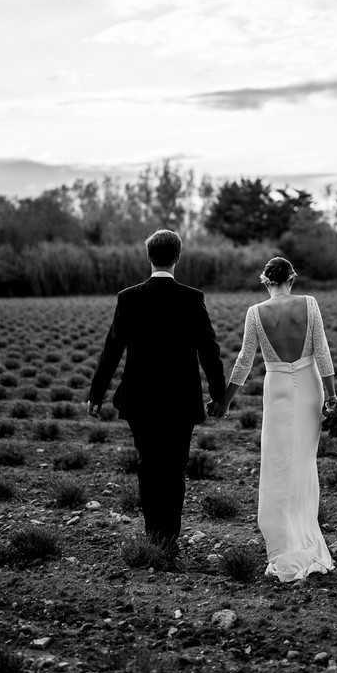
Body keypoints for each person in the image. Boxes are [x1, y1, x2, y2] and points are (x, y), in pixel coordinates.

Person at [87, 229, 227, 557]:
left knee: (149, 465)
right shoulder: (192, 298)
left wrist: (97, 393)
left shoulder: (129, 297)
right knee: (175, 467)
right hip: (180, 399)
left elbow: (112, 349)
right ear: (177, 257)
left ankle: (154, 537)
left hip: (141, 399)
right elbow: (210, 349)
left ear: (149, 257)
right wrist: (219, 394)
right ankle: (170, 538)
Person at [223, 256, 337, 582]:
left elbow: (245, 361)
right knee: (303, 463)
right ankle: (305, 536)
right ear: (292, 278)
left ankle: (284, 542)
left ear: (265, 281)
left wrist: (225, 400)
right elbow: (323, 352)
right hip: (309, 388)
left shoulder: (255, 313)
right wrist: (333, 398)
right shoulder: (310, 304)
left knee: (277, 464)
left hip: (276, 390)